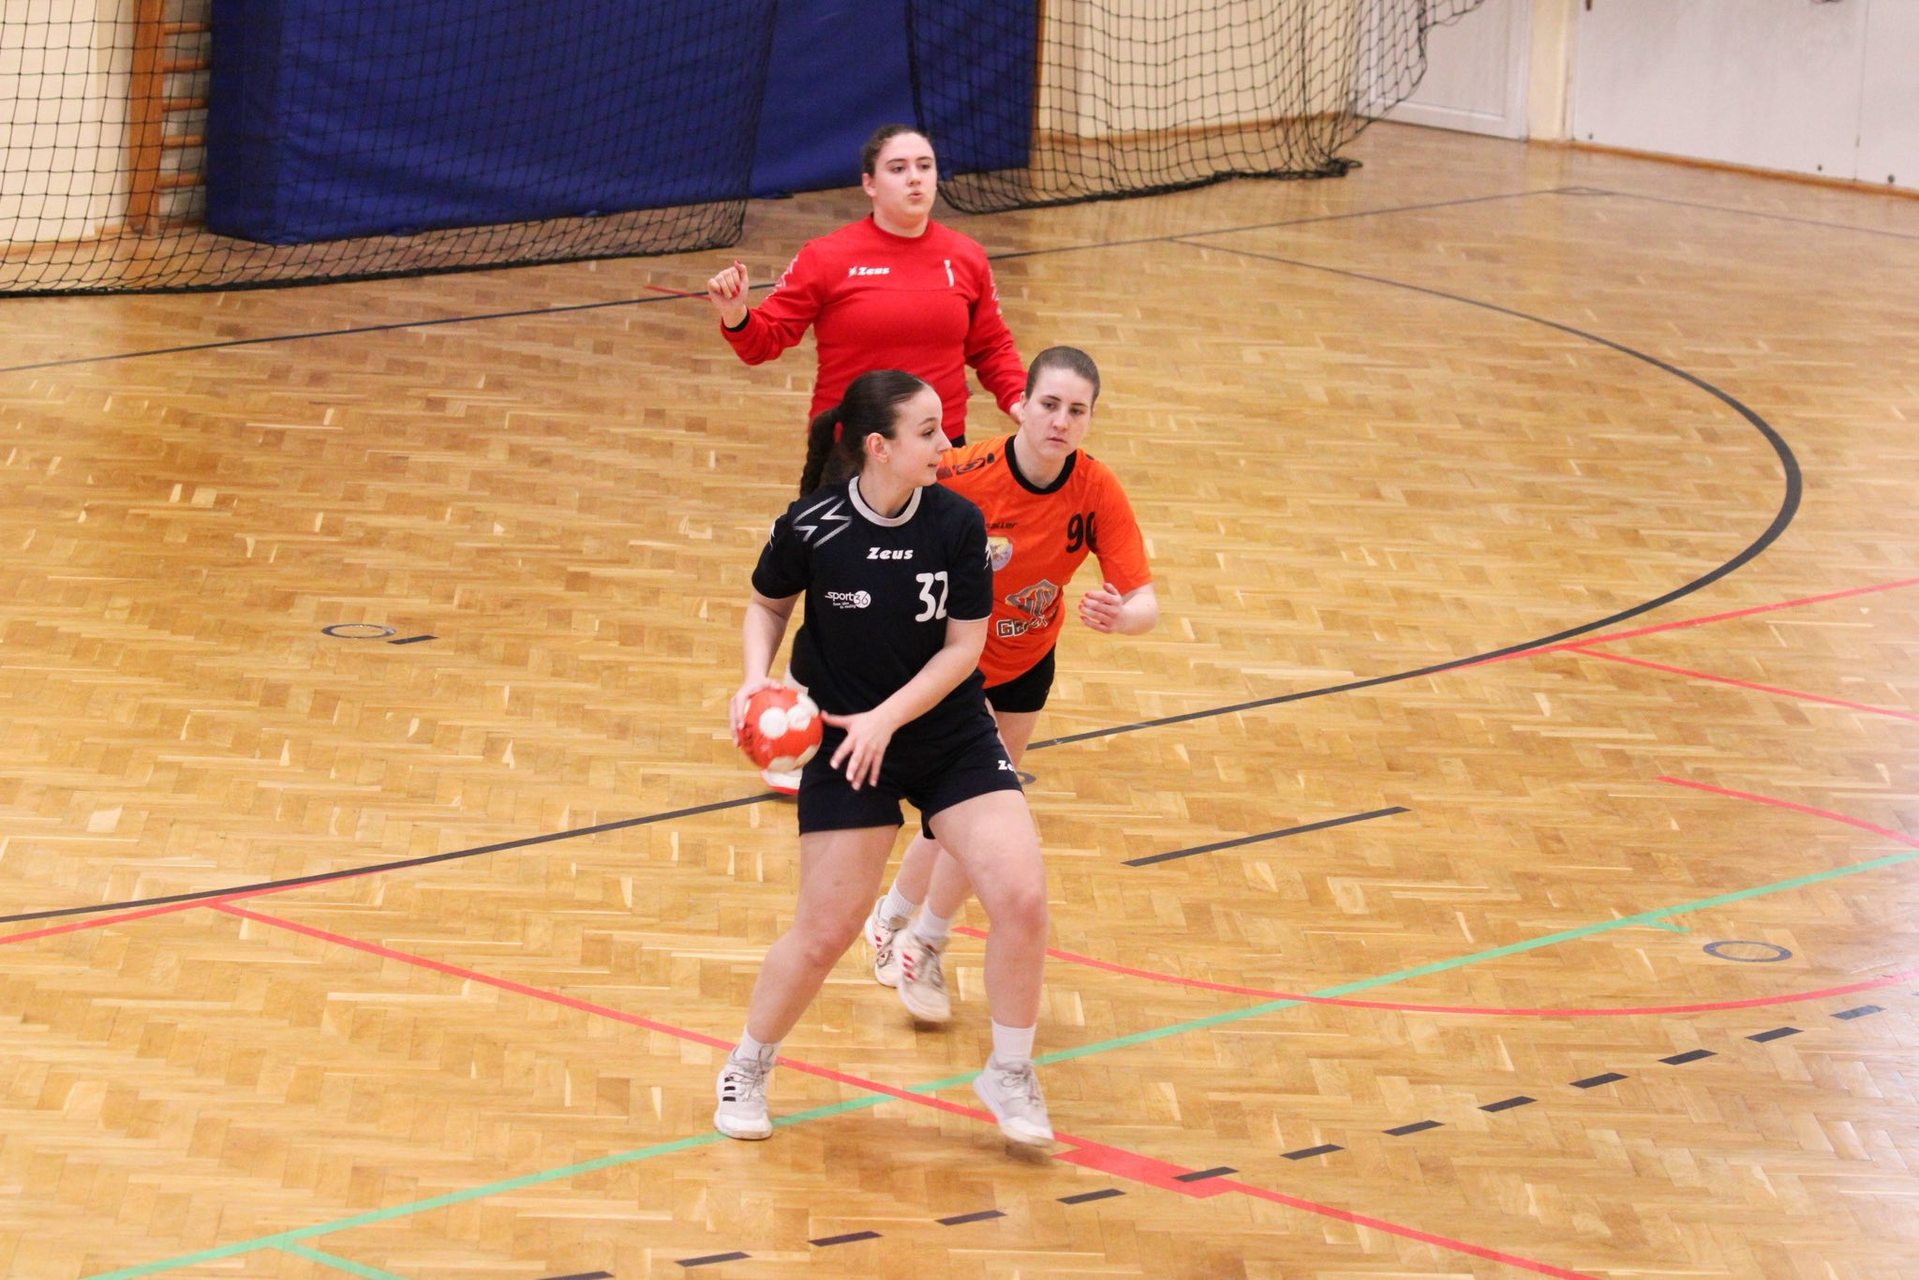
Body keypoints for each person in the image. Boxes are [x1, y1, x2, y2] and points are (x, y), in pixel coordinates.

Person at [715, 368, 1053, 1147]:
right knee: (823, 933)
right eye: (928, 432)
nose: (945, 444)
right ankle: (747, 1063)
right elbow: (767, 604)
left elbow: (964, 649)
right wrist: (755, 680)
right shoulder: (812, 526)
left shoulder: (957, 524)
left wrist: (887, 718)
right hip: (844, 744)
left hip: (947, 735)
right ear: (879, 446)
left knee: (1021, 898)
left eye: (945, 429)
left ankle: (1008, 1072)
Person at [862, 346, 1157, 1023]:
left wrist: (1124, 617)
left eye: (1076, 410)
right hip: (949, 669)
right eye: (1048, 404)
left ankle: (906, 928)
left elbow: (1145, 600)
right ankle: (912, 932)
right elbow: (880, 515)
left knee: (974, 820)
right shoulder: (963, 474)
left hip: (1026, 665)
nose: (1060, 421)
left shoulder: (1096, 489)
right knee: (962, 819)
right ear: (1019, 405)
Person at [704, 123, 1026, 449]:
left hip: (940, 445)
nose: (915, 178)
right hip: (849, 448)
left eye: (924, 166)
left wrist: (1019, 398)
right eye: (898, 168)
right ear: (869, 184)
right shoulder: (825, 256)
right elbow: (763, 342)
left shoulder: (967, 256)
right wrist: (736, 314)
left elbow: (991, 347)